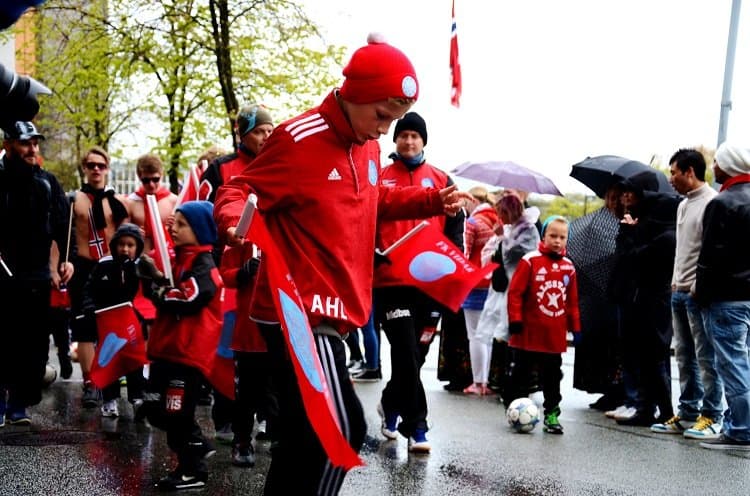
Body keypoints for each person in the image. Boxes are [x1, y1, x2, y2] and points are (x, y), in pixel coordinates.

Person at [214, 33, 469, 493]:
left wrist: (432, 199)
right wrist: (236, 221)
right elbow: (238, 191)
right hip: (301, 311)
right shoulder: (298, 139)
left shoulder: (367, 146)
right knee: (340, 433)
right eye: (381, 116)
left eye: (394, 121)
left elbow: (373, 198)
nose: (385, 131)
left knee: (299, 438)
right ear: (356, 94)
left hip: (338, 307)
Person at [373, 111, 465, 450]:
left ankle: (390, 403)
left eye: (415, 136)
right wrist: (373, 254)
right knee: (404, 349)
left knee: (415, 356)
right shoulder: (380, 178)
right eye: (403, 135)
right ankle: (418, 428)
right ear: (395, 140)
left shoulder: (442, 180)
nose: (409, 141)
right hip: (389, 281)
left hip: (429, 284)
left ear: (424, 141)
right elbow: (364, 223)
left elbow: (456, 231)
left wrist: (453, 265)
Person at [199, 104, 275, 445]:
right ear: (242, 134)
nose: (266, 137)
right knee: (228, 348)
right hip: (225, 268)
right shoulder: (221, 168)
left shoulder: (279, 167)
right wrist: (214, 267)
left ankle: (265, 420)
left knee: (264, 352)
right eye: (260, 131)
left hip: (263, 270)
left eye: (271, 131)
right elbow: (202, 214)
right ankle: (226, 417)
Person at [140, 200, 225, 489]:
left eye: (182, 224)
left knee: (178, 414)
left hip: (187, 354)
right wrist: (149, 276)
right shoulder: (178, 259)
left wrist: (161, 292)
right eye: (173, 223)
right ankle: (195, 450)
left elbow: (190, 297)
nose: (173, 229)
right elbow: (159, 282)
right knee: (158, 410)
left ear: (200, 229)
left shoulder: (204, 265)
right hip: (167, 351)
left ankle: (194, 466)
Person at [0, 121, 73, 425]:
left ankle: (19, 404)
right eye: (25, 143)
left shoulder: (47, 182)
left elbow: (62, 226)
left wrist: (67, 262)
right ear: (8, 145)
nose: (32, 149)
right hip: (2, 276)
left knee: (32, 345)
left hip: (36, 277)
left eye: (35, 143)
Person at [650, 148, 725, 438]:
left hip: (697, 294)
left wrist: (696, 285)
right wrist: (674, 280)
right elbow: (683, 249)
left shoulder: (712, 203)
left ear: (690, 172)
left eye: (674, 172)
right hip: (677, 290)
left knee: (705, 356)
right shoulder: (682, 205)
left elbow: (711, 251)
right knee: (683, 355)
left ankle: (711, 415)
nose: (671, 178)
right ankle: (688, 412)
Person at [609, 171, 681, 427]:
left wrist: (630, 235)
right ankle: (647, 408)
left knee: (654, 358)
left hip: (654, 302)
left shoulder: (666, 237)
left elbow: (635, 257)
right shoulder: (648, 231)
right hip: (640, 300)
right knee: (643, 357)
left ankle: (665, 411)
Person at [695, 142, 750, 451]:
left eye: (716, 161)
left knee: (732, 363)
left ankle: (741, 428)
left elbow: (710, 256)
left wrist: (701, 294)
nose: (713, 166)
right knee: (744, 362)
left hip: (727, 296)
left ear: (727, 166)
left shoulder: (722, 202)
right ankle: (740, 423)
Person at [505, 216, 580, 434]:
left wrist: (576, 328)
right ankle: (516, 407)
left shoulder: (569, 267)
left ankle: (552, 413)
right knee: (521, 374)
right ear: (544, 236)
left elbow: (572, 302)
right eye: (553, 236)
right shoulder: (530, 261)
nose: (557, 241)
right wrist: (515, 320)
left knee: (552, 377)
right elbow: (516, 294)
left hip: (553, 337)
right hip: (528, 333)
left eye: (562, 237)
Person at [69, 146, 131, 409]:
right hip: (83, 267)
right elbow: (62, 235)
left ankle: (109, 381)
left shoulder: (117, 202)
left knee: (111, 327)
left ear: (107, 168)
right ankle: (89, 382)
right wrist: (58, 265)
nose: (96, 169)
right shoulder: (74, 200)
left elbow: (134, 231)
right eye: (91, 165)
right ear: (84, 168)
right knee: (84, 327)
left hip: (110, 267)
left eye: (101, 165)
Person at [79, 223, 148, 418]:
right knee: (109, 362)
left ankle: (137, 399)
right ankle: (109, 400)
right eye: (121, 244)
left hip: (133, 324)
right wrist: (89, 306)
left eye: (130, 245)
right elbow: (89, 289)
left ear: (138, 247)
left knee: (135, 363)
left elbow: (149, 294)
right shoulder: (104, 265)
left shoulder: (142, 267)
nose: (125, 249)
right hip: (108, 325)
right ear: (115, 245)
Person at [219, 240, 278, 467]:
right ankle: (242, 441)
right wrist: (242, 273)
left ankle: (279, 438)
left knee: (278, 391)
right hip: (251, 329)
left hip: (281, 324)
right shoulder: (242, 234)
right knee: (246, 392)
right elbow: (225, 274)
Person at [569, 185, 624, 411]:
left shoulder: (626, 222)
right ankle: (603, 389)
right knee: (597, 344)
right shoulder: (596, 223)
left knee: (614, 345)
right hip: (593, 293)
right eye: (609, 197)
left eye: (616, 198)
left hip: (615, 294)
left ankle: (615, 391)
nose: (612, 202)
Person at [479, 194, 540, 399]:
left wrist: (502, 239)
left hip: (522, 287)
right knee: (503, 332)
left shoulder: (528, 229)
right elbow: (493, 254)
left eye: (501, 212)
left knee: (515, 331)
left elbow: (518, 253)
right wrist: (499, 237)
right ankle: (505, 381)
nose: (499, 216)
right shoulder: (510, 229)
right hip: (507, 287)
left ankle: (520, 382)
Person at [461, 186, 498, 395]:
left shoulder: (473, 222)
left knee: (474, 335)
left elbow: (464, 253)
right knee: (488, 335)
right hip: (494, 284)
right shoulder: (498, 220)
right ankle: (486, 382)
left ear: (472, 200)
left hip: (475, 284)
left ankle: (478, 382)